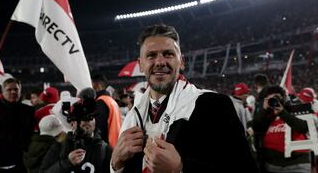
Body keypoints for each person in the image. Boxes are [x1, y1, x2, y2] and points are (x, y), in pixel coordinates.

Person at [110, 24, 258, 173]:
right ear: (141, 65)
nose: (160, 62)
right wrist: (115, 164)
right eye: (151, 55)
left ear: (181, 62)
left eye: (168, 54)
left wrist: (181, 168)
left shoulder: (215, 105)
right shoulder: (132, 117)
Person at [40, 89, 112, 173]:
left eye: (91, 117)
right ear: (72, 123)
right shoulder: (59, 147)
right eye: (81, 117)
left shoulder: (105, 149)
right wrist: (67, 163)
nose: (86, 121)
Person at [252, 85, 314, 173]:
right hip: (271, 165)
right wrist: (264, 110)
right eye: (270, 99)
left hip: (297, 164)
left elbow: (303, 127)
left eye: (277, 97)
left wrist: (282, 113)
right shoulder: (266, 116)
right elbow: (255, 127)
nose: (274, 100)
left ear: (284, 98)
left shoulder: (295, 109)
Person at [91, 74, 122, 147]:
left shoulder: (101, 102)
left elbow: (100, 129)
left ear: (97, 85)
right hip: (116, 145)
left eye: (91, 84)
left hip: (106, 148)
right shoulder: (112, 101)